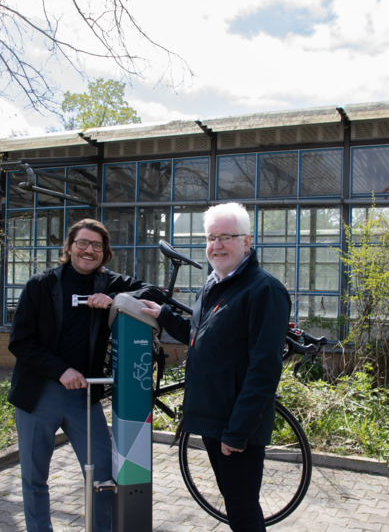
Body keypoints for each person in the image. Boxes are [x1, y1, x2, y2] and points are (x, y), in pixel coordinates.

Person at [140, 202, 291, 532]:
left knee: (241, 510)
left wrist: (237, 432)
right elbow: (200, 337)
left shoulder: (263, 289)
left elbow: (265, 369)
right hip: (212, 418)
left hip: (235, 426)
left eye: (226, 236)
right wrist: (163, 314)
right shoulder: (214, 284)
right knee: (234, 503)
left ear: (247, 241)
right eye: (211, 237)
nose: (216, 245)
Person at [8, 218, 165, 532]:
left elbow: (154, 293)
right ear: (69, 247)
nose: (89, 250)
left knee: (104, 475)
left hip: (85, 396)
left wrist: (120, 300)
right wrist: (60, 370)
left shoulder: (108, 282)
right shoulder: (41, 284)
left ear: (104, 253)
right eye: (82, 243)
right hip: (39, 394)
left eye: (97, 245)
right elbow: (19, 341)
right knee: (34, 477)